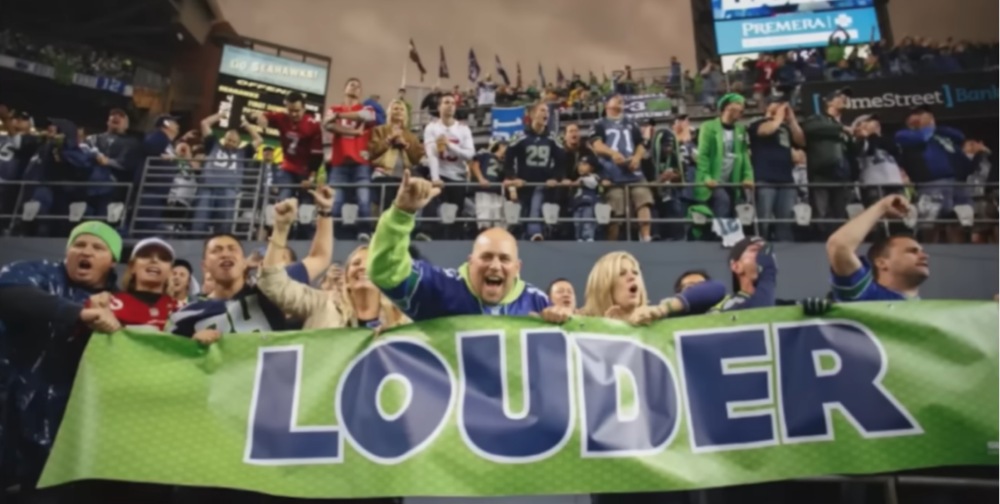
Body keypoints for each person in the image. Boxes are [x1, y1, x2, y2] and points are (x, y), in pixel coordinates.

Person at [0, 221, 122, 499]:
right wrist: (77, 314)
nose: (86, 252)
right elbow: (7, 294)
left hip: (65, 433)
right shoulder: (34, 272)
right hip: (10, 413)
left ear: (112, 261)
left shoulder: (118, 303)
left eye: (97, 247)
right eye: (79, 244)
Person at [368, 170, 550, 319]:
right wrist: (401, 213)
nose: (495, 266)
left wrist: (564, 320)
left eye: (504, 259)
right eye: (486, 257)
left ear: (518, 267)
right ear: (471, 262)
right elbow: (386, 272)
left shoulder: (537, 302)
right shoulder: (440, 289)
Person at [166, 187, 335, 341]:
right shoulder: (184, 316)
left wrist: (325, 211)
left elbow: (320, 257)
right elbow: (165, 360)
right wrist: (190, 345)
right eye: (216, 250)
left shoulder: (269, 290)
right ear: (204, 266)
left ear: (243, 261)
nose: (225, 253)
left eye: (232, 249)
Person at [256, 197, 408, 330]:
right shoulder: (321, 304)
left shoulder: (403, 319)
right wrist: (281, 229)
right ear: (346, 280)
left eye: (371, 264)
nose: (362, 267)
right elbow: (273, 283)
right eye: (356, 263)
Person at [826, 194, 928, 300]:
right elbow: (839, 246)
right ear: (881, 263)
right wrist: (882, 206)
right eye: (912, 251)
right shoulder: (865, 293)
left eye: (922, 251)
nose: (924, 256)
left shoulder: (929, 309)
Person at [589, 94, 653, 241]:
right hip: (612, 173)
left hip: (634, 171)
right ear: (606, 104)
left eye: (621, 99)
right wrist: (613, 154)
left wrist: (636, 158)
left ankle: (646, 238)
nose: (620, 100)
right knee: (615, 209)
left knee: (643, 200)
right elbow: (596, 145)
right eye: (615, 98)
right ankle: (613, 243)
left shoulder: (631, 122)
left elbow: (641, 144)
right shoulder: (599, 123)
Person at [86, 237, 179, 331]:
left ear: (171, 272)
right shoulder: (105, 303)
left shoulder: (181, 309)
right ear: (132, 267)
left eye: (163, 258)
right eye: (145, 255)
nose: (154, 260)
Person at [325, 77, 378, 241]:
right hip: (339, 162)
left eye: (358, 86)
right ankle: (332, 234)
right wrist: (354, 133)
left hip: (360, 163)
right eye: (351, 85)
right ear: (344, 88)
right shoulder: (333, 108)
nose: (355, 87)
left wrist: (339, 116)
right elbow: (327, 124)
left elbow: (367, 116)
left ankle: (364, 232)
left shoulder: (364, 107)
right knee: (336, 201)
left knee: (364, 198)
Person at [504, 102, 566, 241]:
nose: (546, 114)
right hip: (523, 184)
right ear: (532, 114)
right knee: (521, 213)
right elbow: (508, 159)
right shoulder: (520, 136)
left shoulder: (552, 138)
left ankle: (534, 233)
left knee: (535, 206)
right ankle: (519, 237)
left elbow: (562, 160)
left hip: (542, 184)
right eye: (542, 110)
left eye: (547, 112)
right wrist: (513, 178)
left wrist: (556, 178)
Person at [192, 113, 263, 234]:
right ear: (224, 138)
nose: (231, 143)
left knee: (224, 226)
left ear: (239, 143)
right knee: (199, 222)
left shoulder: (243, 152)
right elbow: (204, 123)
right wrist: (221, 115)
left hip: (228, 190)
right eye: (229, 139)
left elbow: (259, 140)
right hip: (207, 188)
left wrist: (247, 126)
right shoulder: (213, 144)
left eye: (234, 142)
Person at [693, 93, 754, 228]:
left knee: (735, 206)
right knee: (723, 200)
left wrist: (748, 176)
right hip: (714, 180)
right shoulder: (708, 127)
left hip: (732, 179)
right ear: (728, 107)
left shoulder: (741, 129)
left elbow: (744, 155)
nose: (742, 109)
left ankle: (731, 238)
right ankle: (721, 236)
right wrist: (706, 177)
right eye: (739, 105)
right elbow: (703, 155)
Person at [421, 95, 475, 239]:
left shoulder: (463, 129)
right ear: (439, 107)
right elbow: (432, 155)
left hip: (458, 175)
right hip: (441, 173)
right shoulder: (431, 127)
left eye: (452, 103)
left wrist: (449, 145)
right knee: (431, 200)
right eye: (446, 102)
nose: (450, 105)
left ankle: (452, 238)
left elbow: (470, 154)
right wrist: (435, 178)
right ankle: (426, 233)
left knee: (455, 212)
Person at [254, 92, 323, 202]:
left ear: (304, 109)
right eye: (290, 110)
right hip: (288, 167)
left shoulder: (313, 125)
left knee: (305, 206)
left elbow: (317, 155)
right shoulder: (282, 118)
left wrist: (311, 178)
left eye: (297, 111)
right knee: (285, 197)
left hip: (306, 170)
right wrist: (261, 117)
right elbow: (262, 115)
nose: (293, 114)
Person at [369, 99, 425, 213]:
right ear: (389, 112)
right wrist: (389, 139)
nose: (399, 111)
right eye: (395, 108)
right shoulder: (379, 130)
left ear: (405, 114)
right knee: (388, 195)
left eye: (401, 109)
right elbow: (372, 152)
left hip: (405, 177)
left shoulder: (411, 136)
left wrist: (406, 146)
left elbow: (417, 159)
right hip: (382, 174)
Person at [707, 236, 778, 312]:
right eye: (755, 250)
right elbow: (760, 313)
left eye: (765, 251)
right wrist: (767, 270)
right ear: (736, 266)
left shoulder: (783, 306)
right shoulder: (726, 306)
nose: (765, 256)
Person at [470, 137, 508, 230]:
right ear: (500, 145)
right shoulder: (486, 154)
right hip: (484, 190)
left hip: (498, 192)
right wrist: (481, 179)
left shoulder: (505, 162)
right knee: (484, 218)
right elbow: (474, 164)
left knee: (498, 221)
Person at [571, 156, 600, 241]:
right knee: (577, 223)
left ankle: (588, 237)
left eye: (584, 165)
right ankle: (578, 237)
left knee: (587, 222)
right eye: (579, 165)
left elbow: (593, 184)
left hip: (588, 204)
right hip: (577, 205)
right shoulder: (578, 179)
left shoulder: (594, 177)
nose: (581, 167)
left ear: (592, 167)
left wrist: (581, 181)